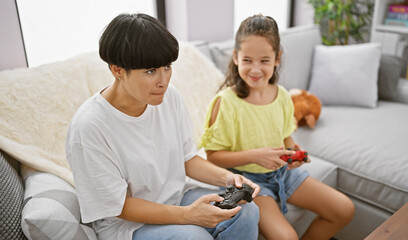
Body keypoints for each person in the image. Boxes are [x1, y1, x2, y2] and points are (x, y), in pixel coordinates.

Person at [65, 13, 260, 240]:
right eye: (150, 71)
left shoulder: (168, 96)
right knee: (194, 237)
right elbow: (120, 207)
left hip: (176, 198)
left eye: (166, 67)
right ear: (117, 70)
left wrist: (228, 178)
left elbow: (188, 159)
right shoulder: (89, 128)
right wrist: (188, 215)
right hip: (128, 225)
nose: (163, 80)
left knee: (245, 212)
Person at [200, 14, 355, 240]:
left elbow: (285, 138)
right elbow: (213, 157)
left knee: (344, 209)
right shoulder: (226, 103)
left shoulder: (282, 95)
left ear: (277, 58)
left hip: (281, 175)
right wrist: (256, 156)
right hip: (248, 182)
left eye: (264, 60)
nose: (255, 69)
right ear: (235, 57)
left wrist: (293, 153)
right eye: (247, 60)